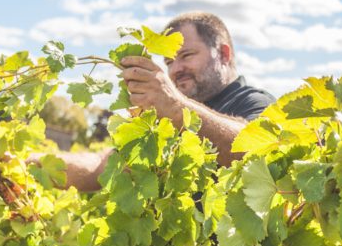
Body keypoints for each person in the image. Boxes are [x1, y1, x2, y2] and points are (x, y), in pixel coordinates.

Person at [44, 11, 275, 191]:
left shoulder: (255, 102)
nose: (176, 70)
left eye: (186, 56)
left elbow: (261, 151)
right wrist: (30, 165)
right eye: (168, 63)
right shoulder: (165, 122)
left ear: (224, 54)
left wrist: (175, 106)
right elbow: (101, 167)